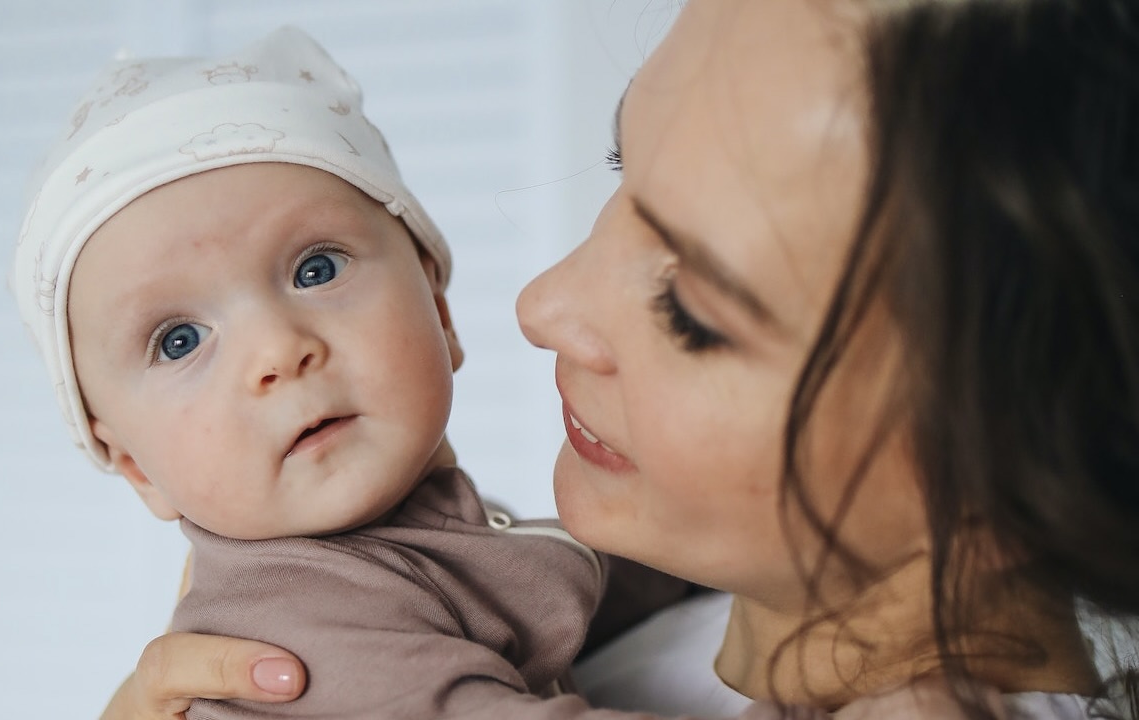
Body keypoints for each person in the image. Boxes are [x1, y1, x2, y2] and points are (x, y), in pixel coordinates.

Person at [99, 0, 1139, 719]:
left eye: (691, 306)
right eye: (621, 170)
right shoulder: (696, 612)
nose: (542, 303)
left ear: (1013, 463)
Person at [12, 25, 730, 720]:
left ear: (440, 312)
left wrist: (716, 550)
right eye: (178, 341)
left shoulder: (420, 542)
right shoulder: (298, 630)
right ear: (135, 465)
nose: (277, 352)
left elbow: (564, 586)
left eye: (315, 269)